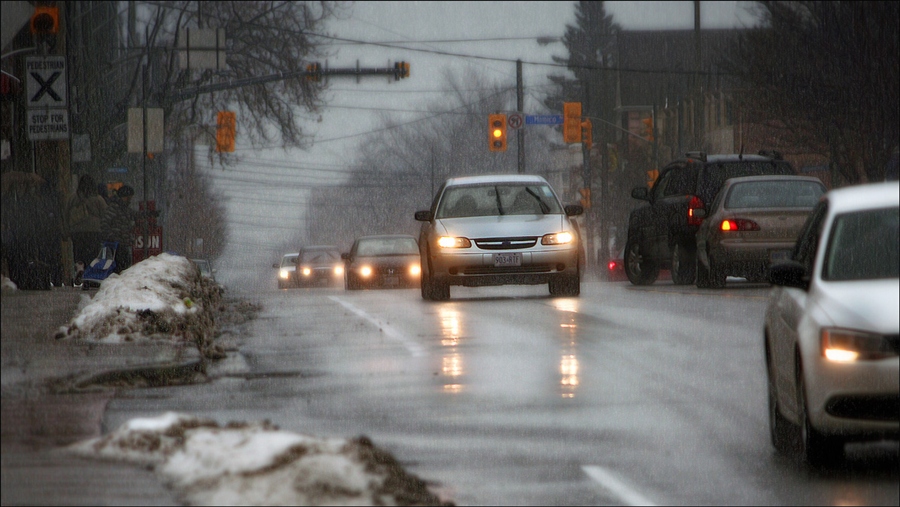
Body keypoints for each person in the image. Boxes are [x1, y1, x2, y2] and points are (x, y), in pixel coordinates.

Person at [100, 185, 156, 273]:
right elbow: (104, 223)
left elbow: (135, 215)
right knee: (120, 265)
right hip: (116, 243)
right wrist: (111, 237)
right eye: (128, 198)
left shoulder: (124, 209)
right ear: (123, 197)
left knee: (124, 264)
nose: (130, 200)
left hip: (123, 242)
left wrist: (149, 214)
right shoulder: (114, 208)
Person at [67, 174, 107, 283]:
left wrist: (68, 229)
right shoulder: (98, 199)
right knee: (92, 254)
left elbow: (66, 213)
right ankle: (90, 277)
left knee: (79, 252)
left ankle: (80, 267)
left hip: (77, 231)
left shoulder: (73, 198)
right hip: (93, 231)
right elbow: (105, 214)